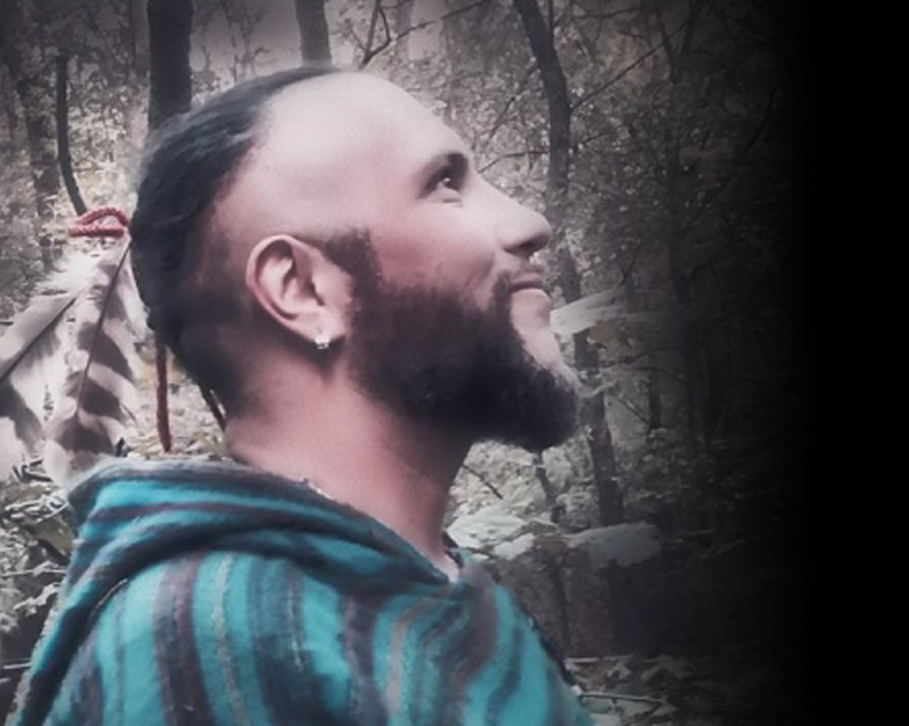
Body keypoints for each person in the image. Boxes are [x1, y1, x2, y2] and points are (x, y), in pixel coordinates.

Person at [12, 67, 592, 726]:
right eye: (444, 183)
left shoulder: (437, 588)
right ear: (301, 289)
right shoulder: (221, 643)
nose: (529, 222)